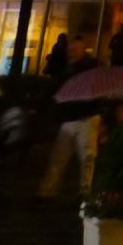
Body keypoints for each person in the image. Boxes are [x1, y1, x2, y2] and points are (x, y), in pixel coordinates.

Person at [39, 33, 99, 199]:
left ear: (82, 50)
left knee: (86, 157)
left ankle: (84, 191)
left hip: (86, 117)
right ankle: (48, 191)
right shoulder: (67, 69)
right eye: (70, 50)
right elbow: (53, 90)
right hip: (71, 117)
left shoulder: (88, 68)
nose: (71, 52)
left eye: (74, 49)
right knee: (60, 157)